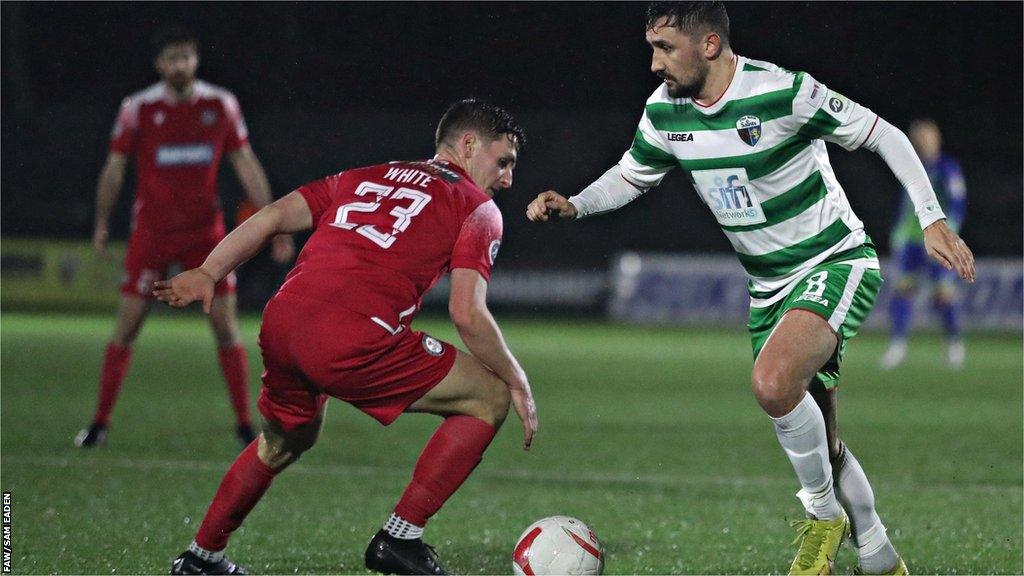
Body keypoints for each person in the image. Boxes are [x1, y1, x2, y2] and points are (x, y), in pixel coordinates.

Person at [527, 3, 974, 574]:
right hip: (768, 288)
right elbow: (632, 174)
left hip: (834, 260)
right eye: (652, 48)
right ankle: (880, 555)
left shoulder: (784, 91)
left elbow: (883, 134)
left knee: (772, 382)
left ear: (709, 44)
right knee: (820, 433)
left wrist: (931, 215)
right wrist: (577, 205)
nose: (654, 63)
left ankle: (822, 517)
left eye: (665, 48)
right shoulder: (665, 112)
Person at [157, 99, 538, 575]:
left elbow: (273, 215)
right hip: (354, 337)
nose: (507, 180)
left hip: (282, 323)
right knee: (489, 397)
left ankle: (201, 557)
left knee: (280, 443)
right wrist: (518, 378)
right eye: (503, 162)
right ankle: (401, 538)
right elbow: (467, 312)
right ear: (467, 145)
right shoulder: (479, 209)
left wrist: (210, 270)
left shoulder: (362, 175)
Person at [74, 28, 295, 449]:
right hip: (152, 235)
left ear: (196, 61)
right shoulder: (138, 108)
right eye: (171, 59)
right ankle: (99, 423)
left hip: (205, 237)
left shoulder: (220, 104)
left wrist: (274, 223)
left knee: (226, 329)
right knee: (127, 326)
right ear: (160, 65)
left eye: (185, 58)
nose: (179, 66)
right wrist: (102, 221)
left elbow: (245, 161)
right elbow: (115, 167)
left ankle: (245, 426)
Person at [880, 119, 968, 370]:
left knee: (943, 293)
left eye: (927, 136)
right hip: (910, 240)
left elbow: (958, 202)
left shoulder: (947, 167)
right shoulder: (911, 165)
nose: (924, 141)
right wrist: (897, 232)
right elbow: (904, 203)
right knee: (903, 291)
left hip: (937, 238)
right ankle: (897, 346)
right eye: (919, 137)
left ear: (936, 138)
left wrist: (951, 234)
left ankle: (954, 346)